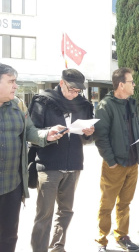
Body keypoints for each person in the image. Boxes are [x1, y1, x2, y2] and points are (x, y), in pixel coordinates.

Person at [0, 63, 65, 252]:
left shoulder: (18, 105)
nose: (15, 86)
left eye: (16, 81)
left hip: (12, 185)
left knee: (9, 235)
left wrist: (47, 135)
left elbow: (29, 130)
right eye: (11, 81)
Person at [29, 69, 95, 252]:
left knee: (66, 211)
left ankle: (58, 247)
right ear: (61, 83)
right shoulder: (43, 101)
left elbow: (87, 137)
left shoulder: (83, 104)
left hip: (73, 163)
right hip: (49, 164)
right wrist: (50, 131)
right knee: (44, 214)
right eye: (71, 89)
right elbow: (31, 132)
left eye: (78, 91)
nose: (75, 94)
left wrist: (89, 133)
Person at [94, 67, 139, 252]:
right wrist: (110, 161)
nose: (134, 84)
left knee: (125, 203)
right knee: (107, 204)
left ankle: (122, 235)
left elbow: (135, 127)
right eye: (131, 81)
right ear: (121, 84)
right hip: (115, 165)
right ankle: (101, 240)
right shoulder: (105, 105)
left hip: (132, 163)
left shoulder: (131, 103)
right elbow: (101, 137)